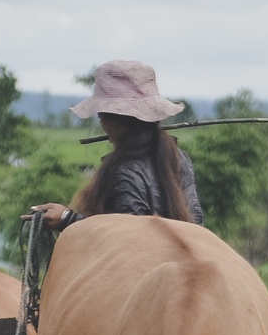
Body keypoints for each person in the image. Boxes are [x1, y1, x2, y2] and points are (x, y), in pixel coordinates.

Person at [32, 59, 203, 230]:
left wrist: (67, 218)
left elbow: (126, 238)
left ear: (112, 121)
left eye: (101, 116)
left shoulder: (122, 171)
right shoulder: (179, 158)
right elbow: (195, 225)